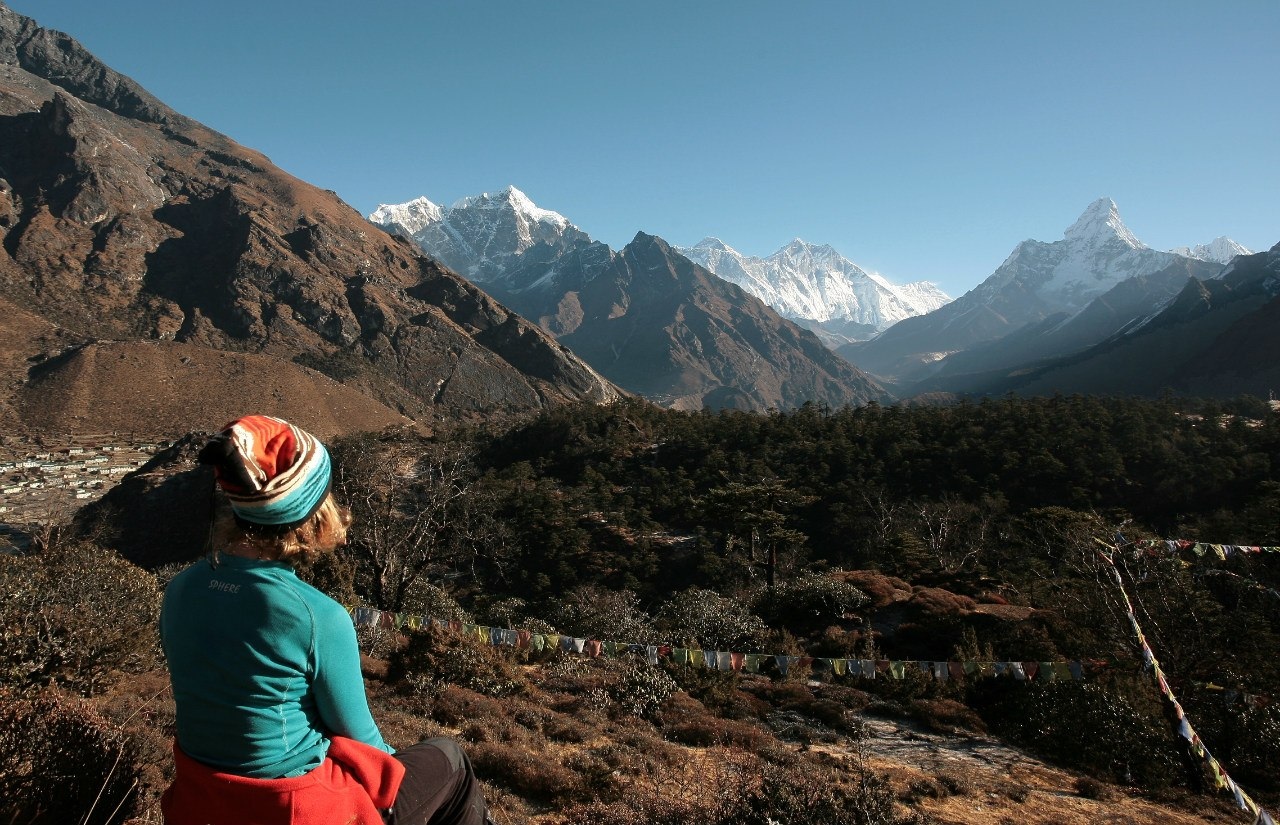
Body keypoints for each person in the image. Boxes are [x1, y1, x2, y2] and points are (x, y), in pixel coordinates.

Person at [160, 414, 489, 825]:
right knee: (450, 759)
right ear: (313, 511)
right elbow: (361, 738)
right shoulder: (316, 616)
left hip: (202, 799)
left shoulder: (180, 588)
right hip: (290, 807)